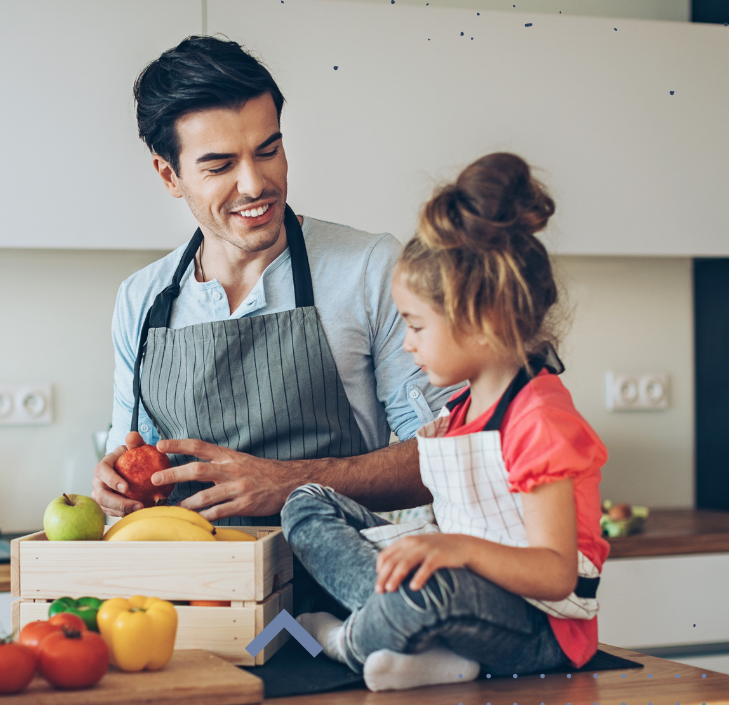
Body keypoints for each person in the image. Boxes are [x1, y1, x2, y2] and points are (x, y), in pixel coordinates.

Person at [91, 35, 457, 615]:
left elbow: (450, 456)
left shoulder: (369, 269)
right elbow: (127, 457)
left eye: (268, 150)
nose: (255, 184)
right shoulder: (142, 300)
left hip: (337, 609)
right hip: (188, 616)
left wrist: (288, 482)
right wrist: (114, 487)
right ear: (169, 174)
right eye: (219, 165)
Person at [280, 152, 610, 692]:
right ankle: (411, 634)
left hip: (538, 626)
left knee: (433, 592)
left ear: (480, 320)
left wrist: (451, 550)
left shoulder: (540, 419)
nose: (407, 344)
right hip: (462, 589)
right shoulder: (462, 409)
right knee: (305, 501)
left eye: (416, 325)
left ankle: (347, 642)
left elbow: (555, 573)